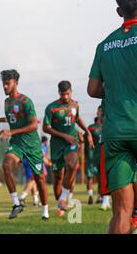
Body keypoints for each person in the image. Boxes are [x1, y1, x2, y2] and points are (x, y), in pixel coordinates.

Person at [87, 0, 137, 234]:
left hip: (114, 132)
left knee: (121, 212)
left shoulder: (104, 45)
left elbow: (93, 89)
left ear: (119, 11)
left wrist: (118, 87)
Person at [0, 69, 49, 220]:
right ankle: (16, 203)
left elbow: (34, 125)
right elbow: (13, 117)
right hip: (17, 144)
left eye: (7, 84)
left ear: (16, 83)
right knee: (6, 164)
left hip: (32, 145)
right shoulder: (7, 102)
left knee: (39, 179)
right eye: (3, 84)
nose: (5, 87)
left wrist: (11, 132)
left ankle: (45, 209)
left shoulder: (25, 101)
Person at [43, 80, 94, 216]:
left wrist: (87, 132)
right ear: (59, 93)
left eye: (67, 94)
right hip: (57, 145)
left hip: (72, 142)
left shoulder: (75, 104)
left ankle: (64, 197)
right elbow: (45, 128)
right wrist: (64, 136)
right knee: (58, 176)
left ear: (71, 91)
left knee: (72, 165)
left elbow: (76, 119)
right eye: (62, 94)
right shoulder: (51, 108)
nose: (65, 97)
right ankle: (60, 203)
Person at [84, 106, 103, 206]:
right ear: (97, 113)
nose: (101, 113)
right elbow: (83, 139)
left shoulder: (110, 126)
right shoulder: (91, 127)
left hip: (103, 157)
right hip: (92, 157)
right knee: (90, 177)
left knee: (101, 178)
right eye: (100, 111)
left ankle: (100, 196)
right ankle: (90, 196)